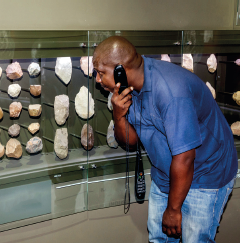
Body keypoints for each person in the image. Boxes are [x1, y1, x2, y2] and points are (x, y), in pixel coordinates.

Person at [93, 36, 237, 243]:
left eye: (100, 73)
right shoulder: (126, 90)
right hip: (167, 174)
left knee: (195, 240)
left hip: (206, 174)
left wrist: (173, 209)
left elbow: (186, 157)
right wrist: (118, 115)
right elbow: (130, 141)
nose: (97, 80)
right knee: (159, 239)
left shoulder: (171, 92)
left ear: (120, 71)